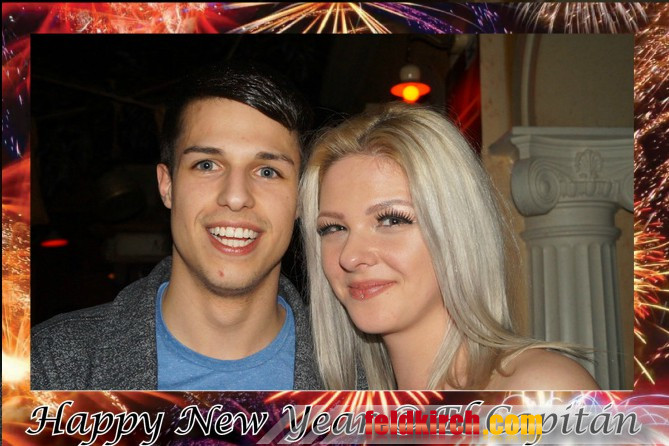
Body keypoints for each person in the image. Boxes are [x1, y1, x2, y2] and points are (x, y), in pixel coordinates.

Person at [31, 62, 327, 390]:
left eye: (267, 171)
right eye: (207, 165)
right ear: (167, 185)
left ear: (300, 198)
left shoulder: (361, 376)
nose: (236, 197)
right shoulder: (46, 365)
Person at [300, 102, 600, 390]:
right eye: (333, 228)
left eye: (392, 220)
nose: (351, 256)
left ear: (456, 229)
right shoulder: (346, 412)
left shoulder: (542, 391)